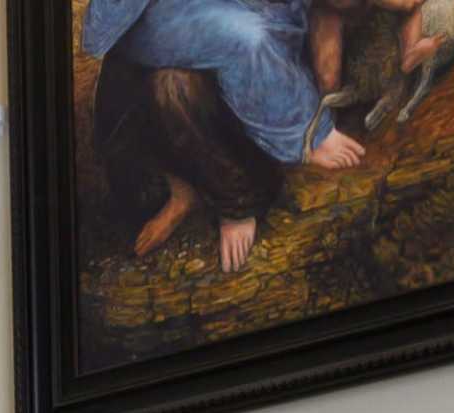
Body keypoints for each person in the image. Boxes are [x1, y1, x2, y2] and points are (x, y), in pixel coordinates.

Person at [86, 0, 376, 276]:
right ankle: (218, 198)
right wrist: (310, 136)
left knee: (195, 75)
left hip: (248, 80)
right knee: (173, 85)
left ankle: (233, 198)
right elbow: (97, 36)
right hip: (159, 101)